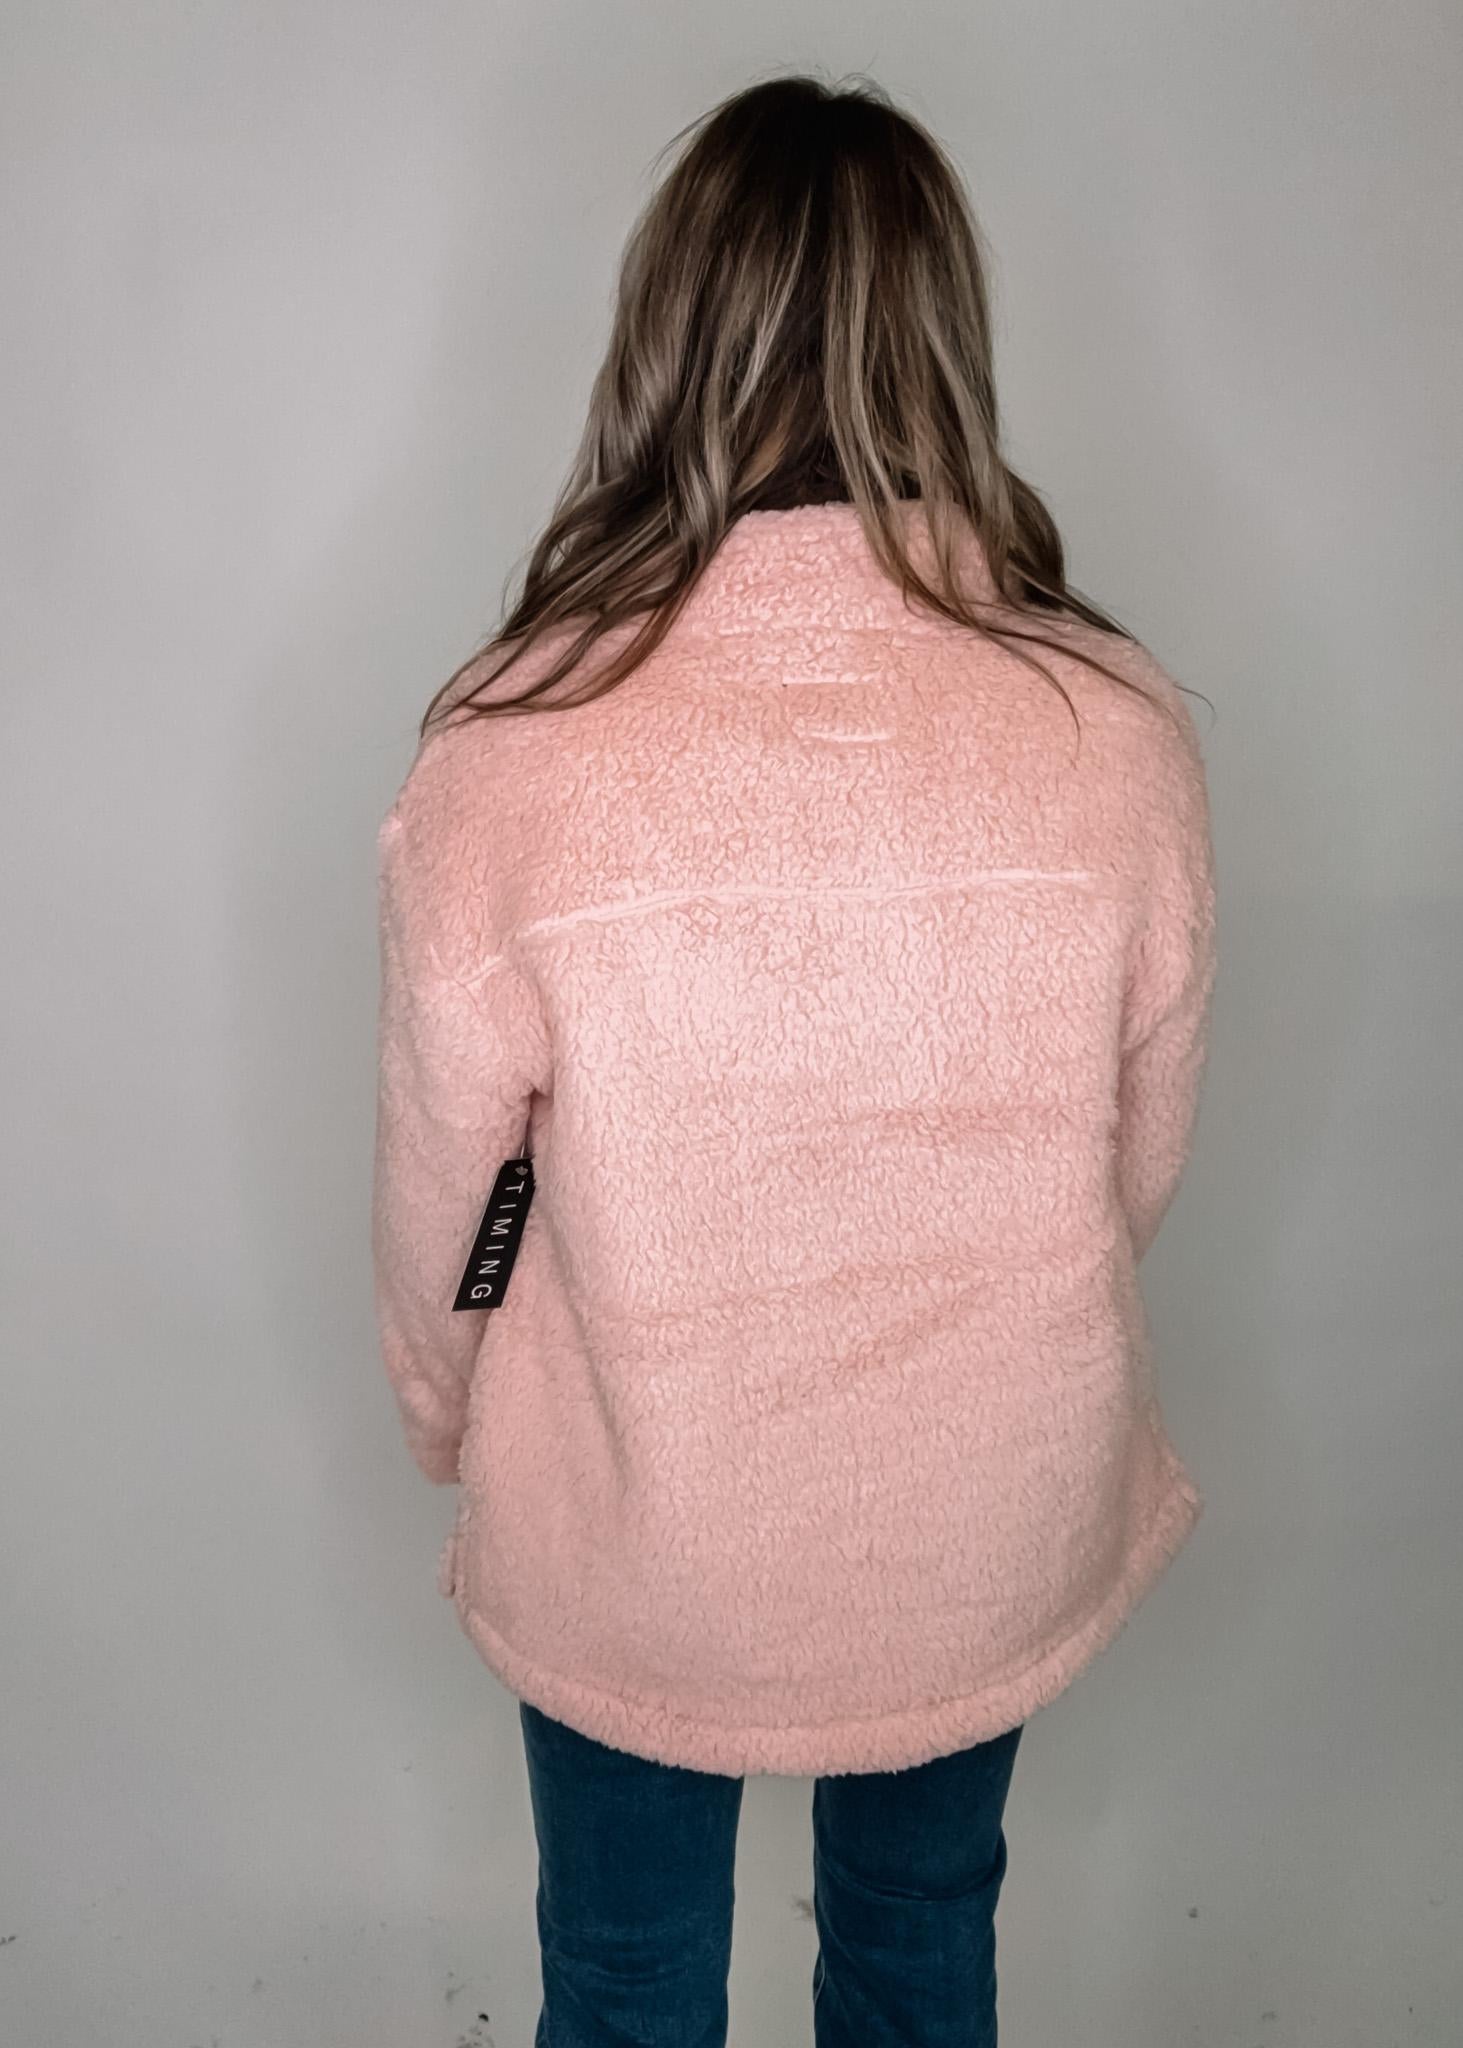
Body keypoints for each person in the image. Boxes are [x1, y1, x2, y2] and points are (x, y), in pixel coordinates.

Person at [370, 70, 1218, 2048]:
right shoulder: (1114, 729)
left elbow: (453, 1209)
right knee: (923, 1944)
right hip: (980, 1509)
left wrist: (449, 1420)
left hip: (637, 1521)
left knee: (627, 1976)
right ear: (945, 337)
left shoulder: (514, 745)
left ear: (670, 331)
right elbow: (1135, 1158)